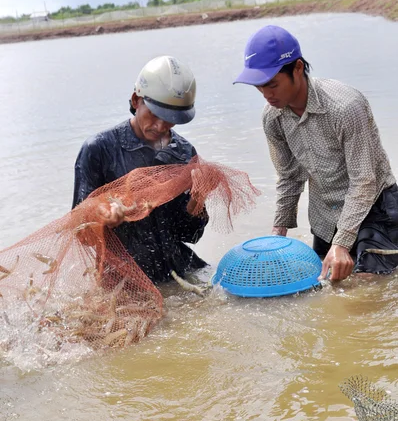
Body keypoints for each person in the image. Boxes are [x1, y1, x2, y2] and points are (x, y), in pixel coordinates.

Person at [234, 24, 398, 281]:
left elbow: (364, 181)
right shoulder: (273, 119)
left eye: (272, 84)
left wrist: (342, 243)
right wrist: (277, 236)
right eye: (259, 87)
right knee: (324, 285)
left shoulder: (345, 107)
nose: (266, 95)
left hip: (374, 208)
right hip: (325, 213)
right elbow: (289, 178)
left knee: (369, 289)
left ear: (297, 68)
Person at [72, 55, 208, 283]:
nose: (160, 126)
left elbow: (190, 236)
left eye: (170, 119)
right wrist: (101, 217)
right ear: (136, 100)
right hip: (123, 279)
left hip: (177, 271)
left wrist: (197, 204)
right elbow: (81, 234)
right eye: (155, 115)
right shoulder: (99, 149)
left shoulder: (184, 152)